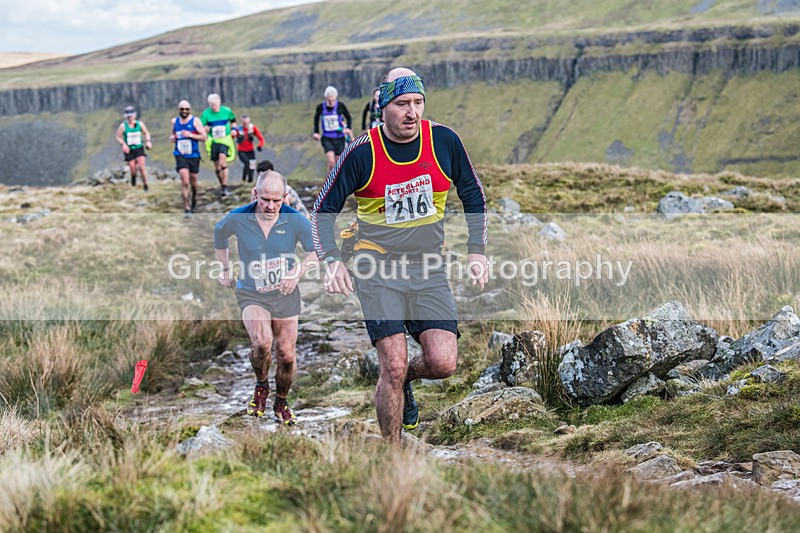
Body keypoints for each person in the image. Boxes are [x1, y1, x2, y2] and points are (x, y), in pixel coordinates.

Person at [311, 68, 489, 444]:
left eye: (418, 103)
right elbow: (322, 211)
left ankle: (405, 378)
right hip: (374, 267)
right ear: (383, 107)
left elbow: (473, 194)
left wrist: (477, 252)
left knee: (443, 363)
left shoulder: (444, 141)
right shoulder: (361, 152)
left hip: (428, 266)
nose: (412, 112)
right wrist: (331, 260)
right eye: (402, 104)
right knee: (391, 364)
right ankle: (394, 456)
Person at [214, 170, 318, 424]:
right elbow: (219, 234)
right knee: (262, 344)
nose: (271, 206)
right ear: (255, 194)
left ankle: (281, 401)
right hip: (252, 292)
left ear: (285, 197)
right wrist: (225, 269)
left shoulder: (296, 221)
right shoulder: (238, 217)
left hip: (285, 294)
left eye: (276, 200)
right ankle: (261, 386)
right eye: (265, 200)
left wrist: (297, 273)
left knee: (286, 355)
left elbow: (316, 253)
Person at [169, 100, 207, 216]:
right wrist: (172, 137)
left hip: (193, 155)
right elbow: (173, 134)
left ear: (189, 110)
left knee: (193, 182)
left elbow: (204, 137)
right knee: (185, 182)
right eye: (182, 109)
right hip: (180, 155)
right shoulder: (174, 121)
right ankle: (187, 208)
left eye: (187, 109)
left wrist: (190, 135)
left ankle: (194, 197)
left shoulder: (195, 121)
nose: (184, 111)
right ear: (178, 110)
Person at [201, 93, 238, 196]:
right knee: (217, 167)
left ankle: (225, 186)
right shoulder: (205, 114)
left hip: (225, 140)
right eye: (211, 105)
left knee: (222, 163)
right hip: (213, 141)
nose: (214, 107)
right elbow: (200, 127)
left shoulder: (227, 111)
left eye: (215, 104)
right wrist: (205, 129)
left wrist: (234, 129)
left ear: (219, 102)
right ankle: (222, 185)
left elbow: (233, 121)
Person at [312, 86, 353, 174]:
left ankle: (334, 182)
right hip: (327, 137)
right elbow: (316, 118)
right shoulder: (321, 107)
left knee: (338, 163)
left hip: (339, 137)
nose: (331, 102)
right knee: (331, 162)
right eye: (329, 100)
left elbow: (349, 117)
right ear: (326, 98)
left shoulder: (340, 106)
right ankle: (329, 184)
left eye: (333, 100)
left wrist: (348, 128)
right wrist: (316, 132)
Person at [115, 106, 152, 191]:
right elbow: (118, 137)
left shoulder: (140, 124)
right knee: (133, 169)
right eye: (128, 116)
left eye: (131, 116)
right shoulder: (123, 126)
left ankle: (146, 185)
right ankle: (133, 177)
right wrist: (123, 144)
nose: (130, 118)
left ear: (135, 115)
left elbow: (146, 133)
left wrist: (148, 141)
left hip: (139, 148)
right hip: (129, 150)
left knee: (142, 168)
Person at [236, 115, 265, 183]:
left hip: (250, 150)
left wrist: (260, 146)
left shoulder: (252, 128)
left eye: (246, 123)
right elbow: (231, 137)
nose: (245, 124)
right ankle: (243, 178)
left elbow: (261, 138)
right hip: (241, 150)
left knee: (252, 165)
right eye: (244, 123)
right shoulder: (238, 129)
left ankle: (250, 180)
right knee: (247, 163)